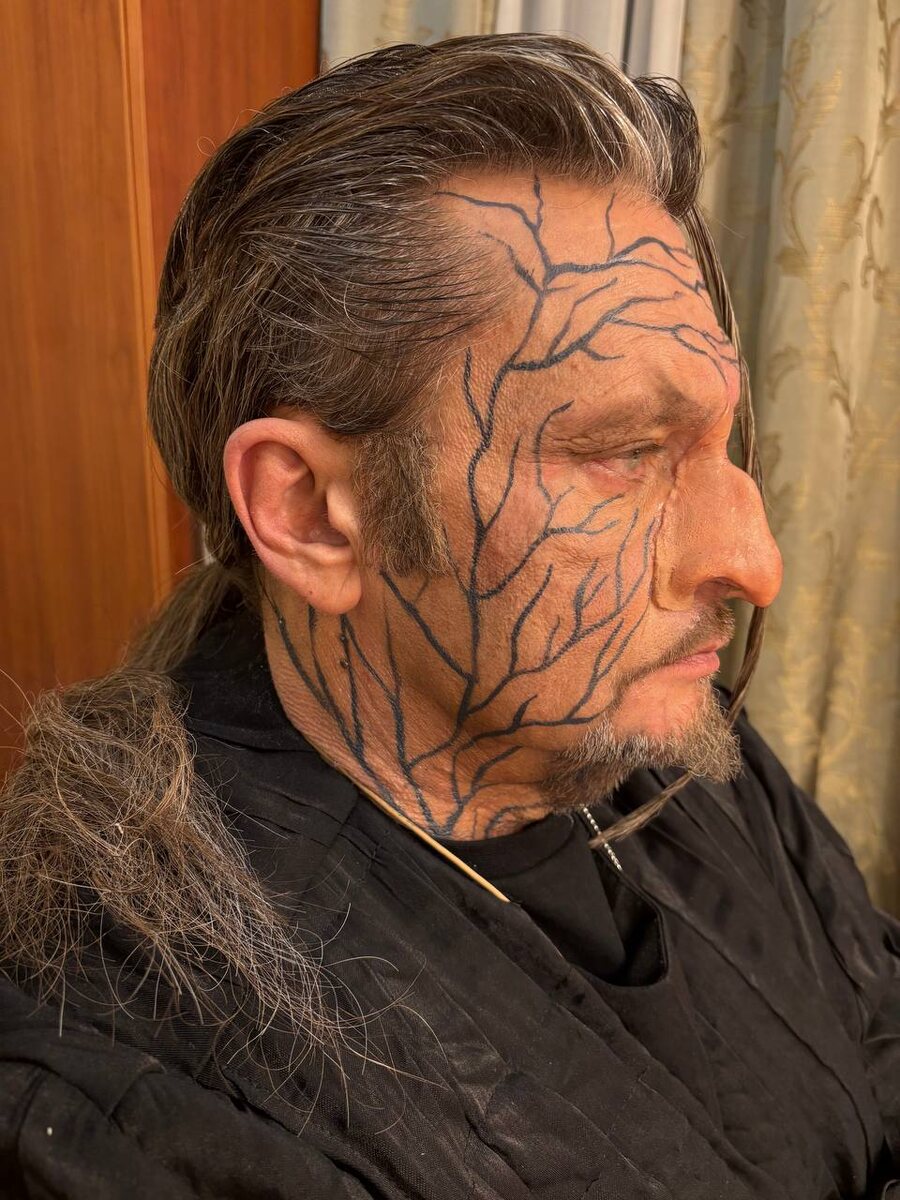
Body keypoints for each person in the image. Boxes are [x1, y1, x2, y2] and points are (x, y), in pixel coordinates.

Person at [0, 33, 897, 1200]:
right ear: (312, 513)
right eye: (626, 453)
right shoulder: (130, 1092)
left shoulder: (655, 722)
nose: (753, 562)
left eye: (722, 442)